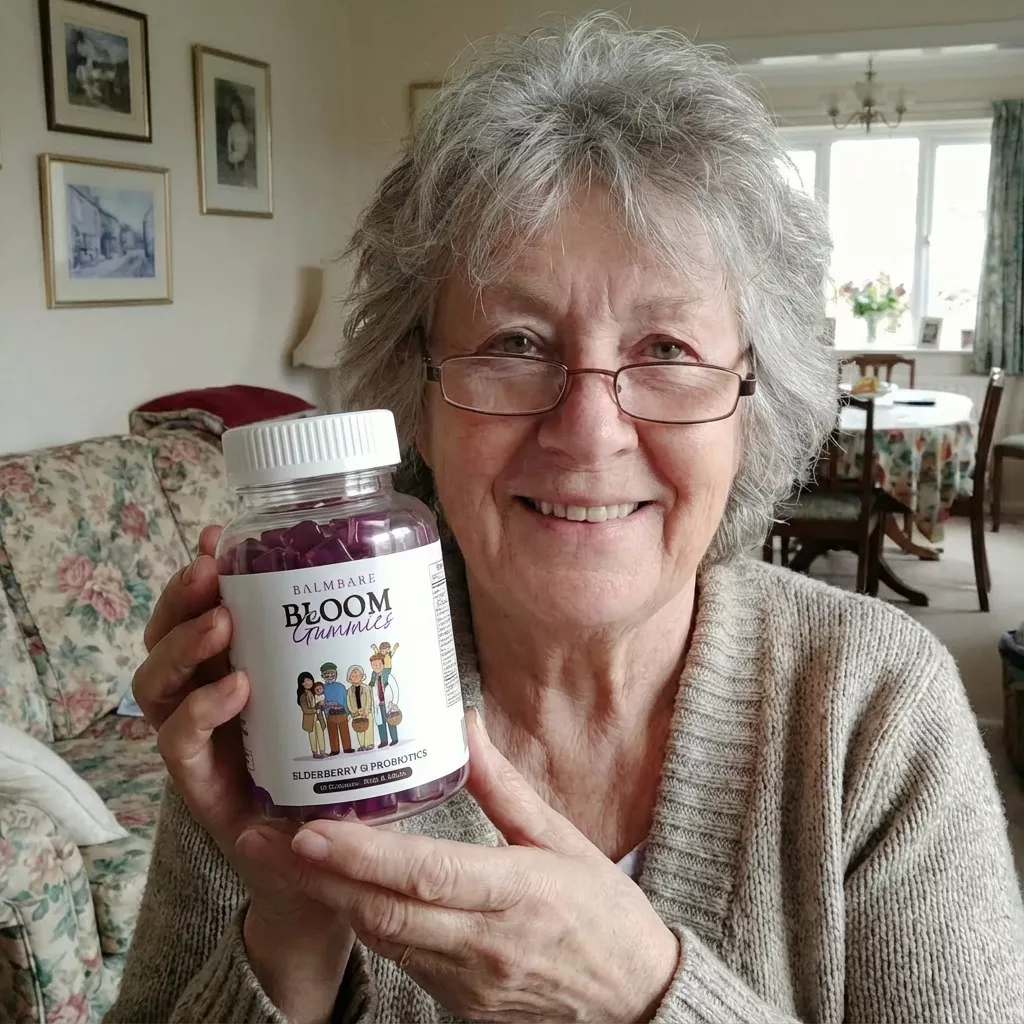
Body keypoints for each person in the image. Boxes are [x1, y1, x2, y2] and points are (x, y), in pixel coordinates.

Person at [111, 14, 1024, 1024]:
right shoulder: (286, 695)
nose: (589, 429)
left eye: (668, 349)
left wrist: (641, 997)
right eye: (512, 340)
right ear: (415, 396)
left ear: (754, 403)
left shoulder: (876, 706)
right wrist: (292, 910)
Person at [320, 661, 354, 755]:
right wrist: (327, 709)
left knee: (344, 730)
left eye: (332, 675)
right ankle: (334, 749)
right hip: (330, 713)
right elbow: (321, 700)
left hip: (342, 712)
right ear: (323, 676)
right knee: (332, 732)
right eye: (327, 675)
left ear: (335, 675)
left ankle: (347, 748)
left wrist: (347, 712)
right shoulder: (322, 688)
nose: (330, 677)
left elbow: (345, 699)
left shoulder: (341, 687)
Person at [369, 653, 399, 747]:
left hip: (388, 703)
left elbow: (395, 689)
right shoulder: (373, 678)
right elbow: (372, 691)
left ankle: (394, 739)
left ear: (383, 664)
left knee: (391, 720)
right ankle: (384, 741)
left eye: (379, 664)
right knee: (380, 723)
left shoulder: (387, 676)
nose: (377, 667)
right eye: (374, 665)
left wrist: (394, 703)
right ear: (372, 666)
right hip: (379, 704)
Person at [296, 672, 326, 760]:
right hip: (310, 719)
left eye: (308, 680)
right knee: (312, 736)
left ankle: (323, 751)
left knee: (320, 734)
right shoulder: (303, 696)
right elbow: (305, 710)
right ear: (301, 684)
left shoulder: (315, 692)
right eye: (304, 682)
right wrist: (314, 710)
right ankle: (315, 752)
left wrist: (321, 705)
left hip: (318, 718)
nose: (307, 683)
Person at [345, 664, 374, 751]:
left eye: (357, 676)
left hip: (366, 712)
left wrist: (366, 710)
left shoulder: (366, 688)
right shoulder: (349, 691)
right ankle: (362, 744)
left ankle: (369, 743)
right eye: (353, 676)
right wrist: (353, 712)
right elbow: (348, 702)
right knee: (359, 727)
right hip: (356, 713)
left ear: (362, 676)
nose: (356, 678)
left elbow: (369, 699)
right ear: (350, 679)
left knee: (368, 725)